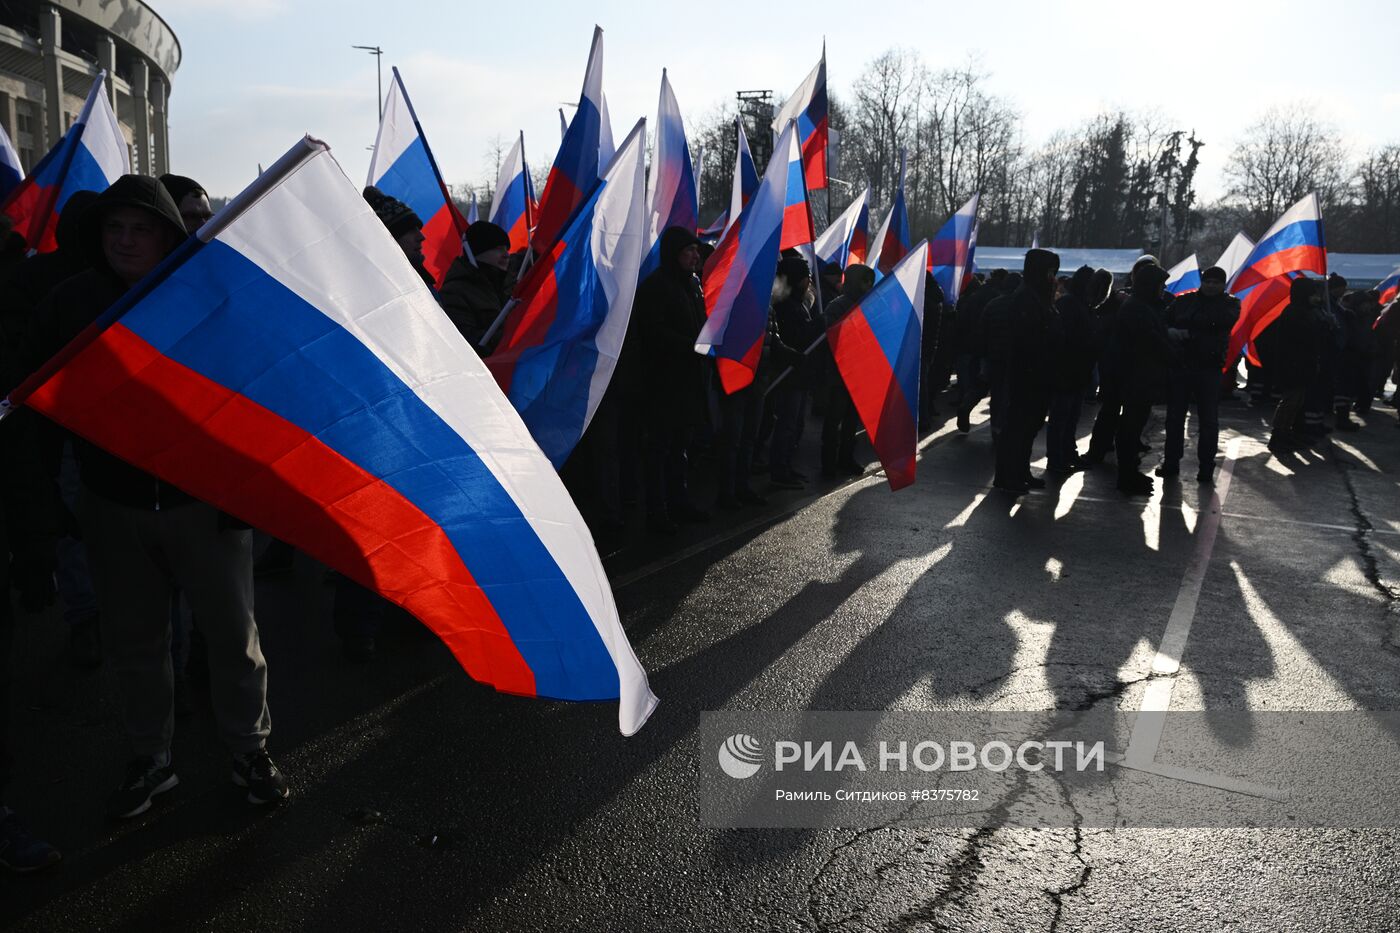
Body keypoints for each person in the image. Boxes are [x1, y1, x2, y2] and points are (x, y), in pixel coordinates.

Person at [33, 176, 288, 817]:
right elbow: (40, 404)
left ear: (167, 236)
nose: (124, 240)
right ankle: (152, 759)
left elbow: (248, 397)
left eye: (139, 229)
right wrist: (48, 497)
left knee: (233, 637)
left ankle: (249, 752)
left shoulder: (206, 297)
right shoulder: (71, 303)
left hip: (205, 503)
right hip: (111, 503)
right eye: (114, 229)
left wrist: (241, 494)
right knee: (136, 643)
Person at [633, 226, 711, 534]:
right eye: (689, 250)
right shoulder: (656, 286)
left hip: (688, 380)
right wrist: (688, 345)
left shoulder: (692, 285)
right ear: (673, 253)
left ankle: (680, 501)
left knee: (682, 446)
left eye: (696, 251)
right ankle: (657, 511)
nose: (695, 256)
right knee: (660, 449)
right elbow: (652, 332)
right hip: (663, 382)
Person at [1160, 266, 1240, 483]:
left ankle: (1206, 466)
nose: (1211, 286)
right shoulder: (1184, 301)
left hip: (1209, 367)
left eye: (1216, 282)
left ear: (1223, 284)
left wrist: (1188, 331)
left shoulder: (1230, 303)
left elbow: (1219, 323)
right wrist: (1172, 331)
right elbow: (1165, 320)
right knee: (1175, 418)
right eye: (1208, 281)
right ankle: (1170, 462)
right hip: (1182, 365)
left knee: (1208, 420)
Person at [992, 249, 1062, 493]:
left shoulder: (1039, 297)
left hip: (1038, 375)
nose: (1053, 278)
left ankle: (1020, 471)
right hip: (1027, 375)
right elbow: (1027, 339)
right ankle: (1007, 475)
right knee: (1017, 429)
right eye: (1049, 272)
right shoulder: (1025, 298)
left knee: (1028, 429)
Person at [1114, 259, 1175, 495]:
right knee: (1131, 426)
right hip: (1136, 377)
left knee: (1133, 426)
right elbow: (1152, 342)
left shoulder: (1141, 306)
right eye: (1160, 285)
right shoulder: (1138, 309)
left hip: (1139, 376)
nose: (1163, 290)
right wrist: (1173, 355)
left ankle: (1129, 472)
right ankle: (1127, 474)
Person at [820, 264, 876, 477]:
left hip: (859, 373)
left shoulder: (870, 306)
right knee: (834, 420)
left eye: (870, 281)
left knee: (852, 420)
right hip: (838, 374)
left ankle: (846, 458)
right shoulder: (837, 306)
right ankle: (828, 463)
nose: (868, 285)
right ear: (853, 282)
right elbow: (830, 339)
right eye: (864, 280)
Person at [1046, 266, 1100, 473]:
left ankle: (1065, 454)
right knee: (1062, 418)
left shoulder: (1077, 304)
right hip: (1068, 370)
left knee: (1069, 417)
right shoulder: (1073, 304)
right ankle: (1058, 458)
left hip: (1075, 370)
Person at [1258, 277, 1322, 452]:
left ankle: (1286, 433)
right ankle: (1278, 435)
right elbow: (1304, 336)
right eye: (1313, 293)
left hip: (1301, 364)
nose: (1316, 297)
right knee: (1290, 401)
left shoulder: (1305, 311)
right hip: (1293, 365)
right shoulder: (1294, 312)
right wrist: (1323, 325)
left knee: (1296, 401)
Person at [439, 221, 511, 353]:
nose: (506, 255)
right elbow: (466, 343)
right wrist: (512, 336)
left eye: (507, 249)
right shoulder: (454, 292)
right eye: (499, 249)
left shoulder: (508, 286)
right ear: (478, 252)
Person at [362, 186, 432, 290]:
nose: (421, 237)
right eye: (410, 230)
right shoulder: (378, 291)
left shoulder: (423, 283)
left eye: (418, 229)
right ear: (390, 240)